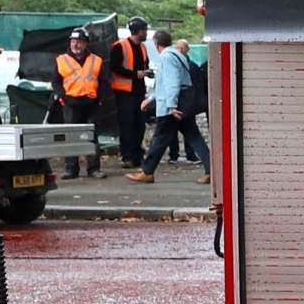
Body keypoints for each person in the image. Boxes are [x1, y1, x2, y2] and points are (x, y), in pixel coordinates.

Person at [127, 28, 209, 184]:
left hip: (171, 107)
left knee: (159, 139)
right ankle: (211, 171)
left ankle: (147, 172)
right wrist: (151, 99)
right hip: (182, 104)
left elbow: (172, 83)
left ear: (156, 43)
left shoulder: (166, 57)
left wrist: (171, 106)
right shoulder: (179, 56)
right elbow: (167, 84)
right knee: (194, 137)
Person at [48, 27, 104, 178]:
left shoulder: (96, 60)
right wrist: (63, 97)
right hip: (71, 104)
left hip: (91, 104)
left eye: (78, 41)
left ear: (85, 43)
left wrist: (98, 98)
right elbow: (56, 82)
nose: (75, 45)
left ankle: (94, 169)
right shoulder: (61, 60)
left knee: (92, 137)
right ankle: (71, 169)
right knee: (70, 137)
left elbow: (104, 82)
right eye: (73, 41)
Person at [106, 17, 151, 169]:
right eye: (144, 29)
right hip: (124, 93)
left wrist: (146, 73)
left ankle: (137, 155)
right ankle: (127, 156)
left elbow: (145, 64)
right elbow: (114, 67)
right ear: (137, 31)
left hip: (139, 92)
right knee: (127, 125)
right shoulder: (120, 46)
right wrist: (135, 74)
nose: (146, 32)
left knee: (139, 125)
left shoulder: (143, 47)